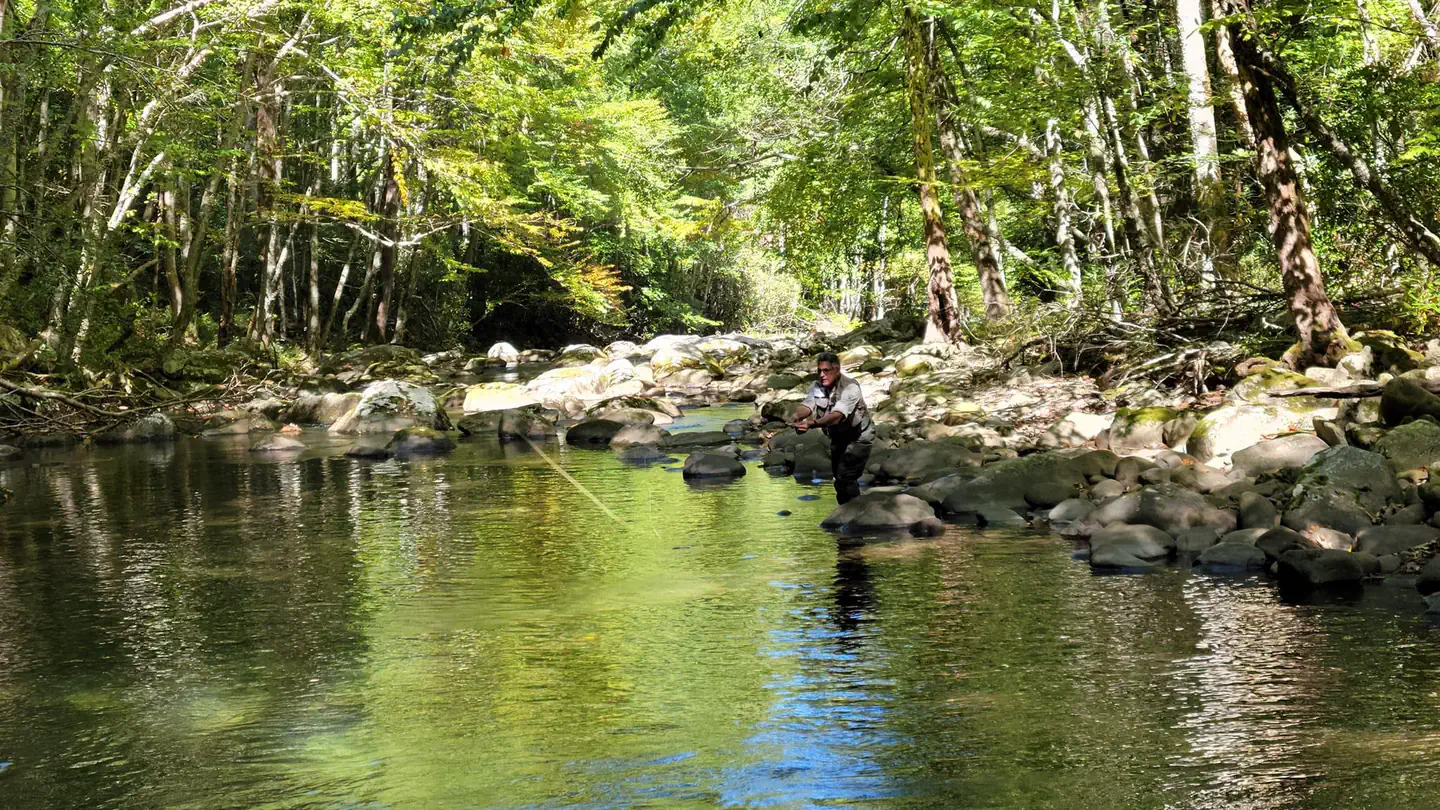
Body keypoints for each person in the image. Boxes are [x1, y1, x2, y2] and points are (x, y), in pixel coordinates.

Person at [790, 351, 873, 504]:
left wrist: (812, 423)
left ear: (837, 370)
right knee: (838, 478)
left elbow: (837, 416)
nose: (822, 375)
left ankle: (854, 512)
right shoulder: (817, 386)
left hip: (859, 437)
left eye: (826, 370)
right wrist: (798, 416)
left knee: (846, 476)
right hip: (838, 437)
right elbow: (809, 405)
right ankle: (846, 511)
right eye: (819, 371)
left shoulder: (851, 388)